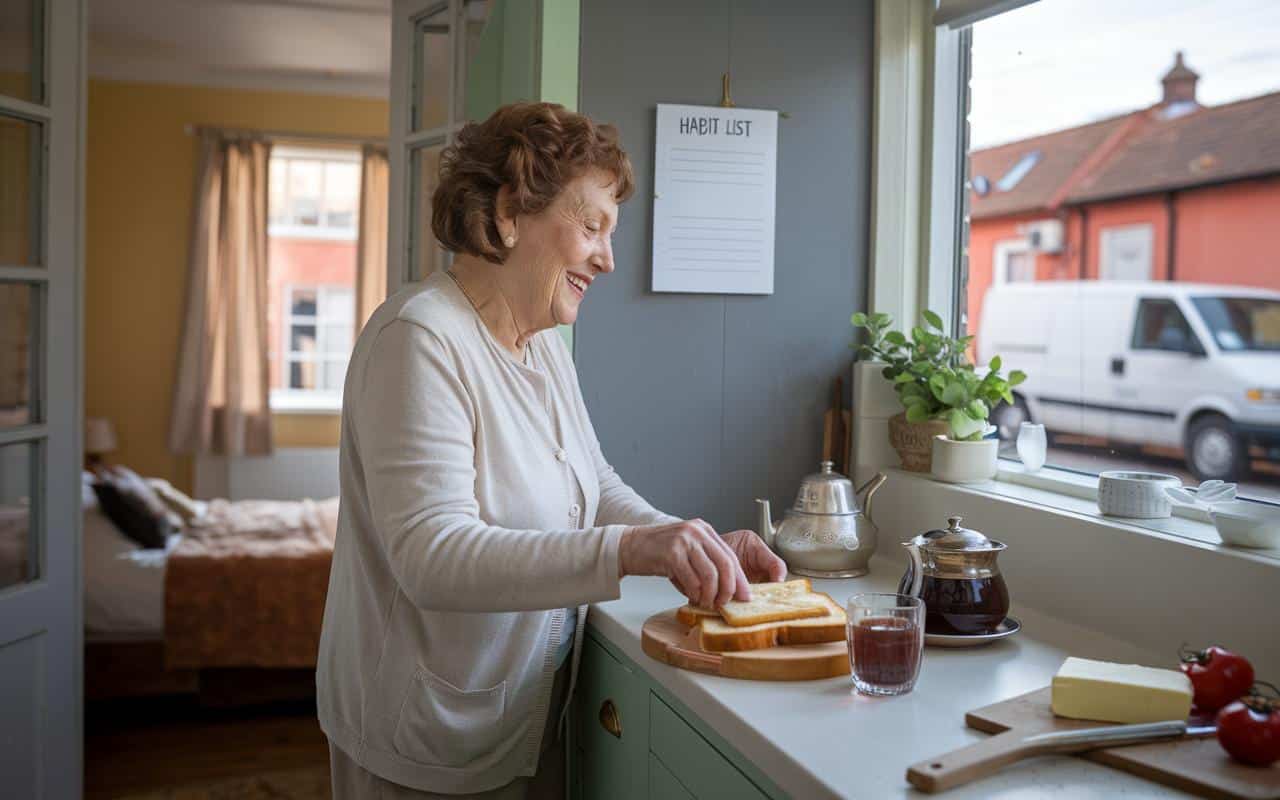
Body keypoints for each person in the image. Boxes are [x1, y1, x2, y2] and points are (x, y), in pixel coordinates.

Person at [317, 102, 785, 799]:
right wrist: (632, 552)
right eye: (591, 225)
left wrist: (687, 543)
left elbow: (591, 485)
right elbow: (431, 555)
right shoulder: (419, 341)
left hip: (524, 715)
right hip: (422, 737)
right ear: (510, 212)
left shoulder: (543, 347)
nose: (608, 257)